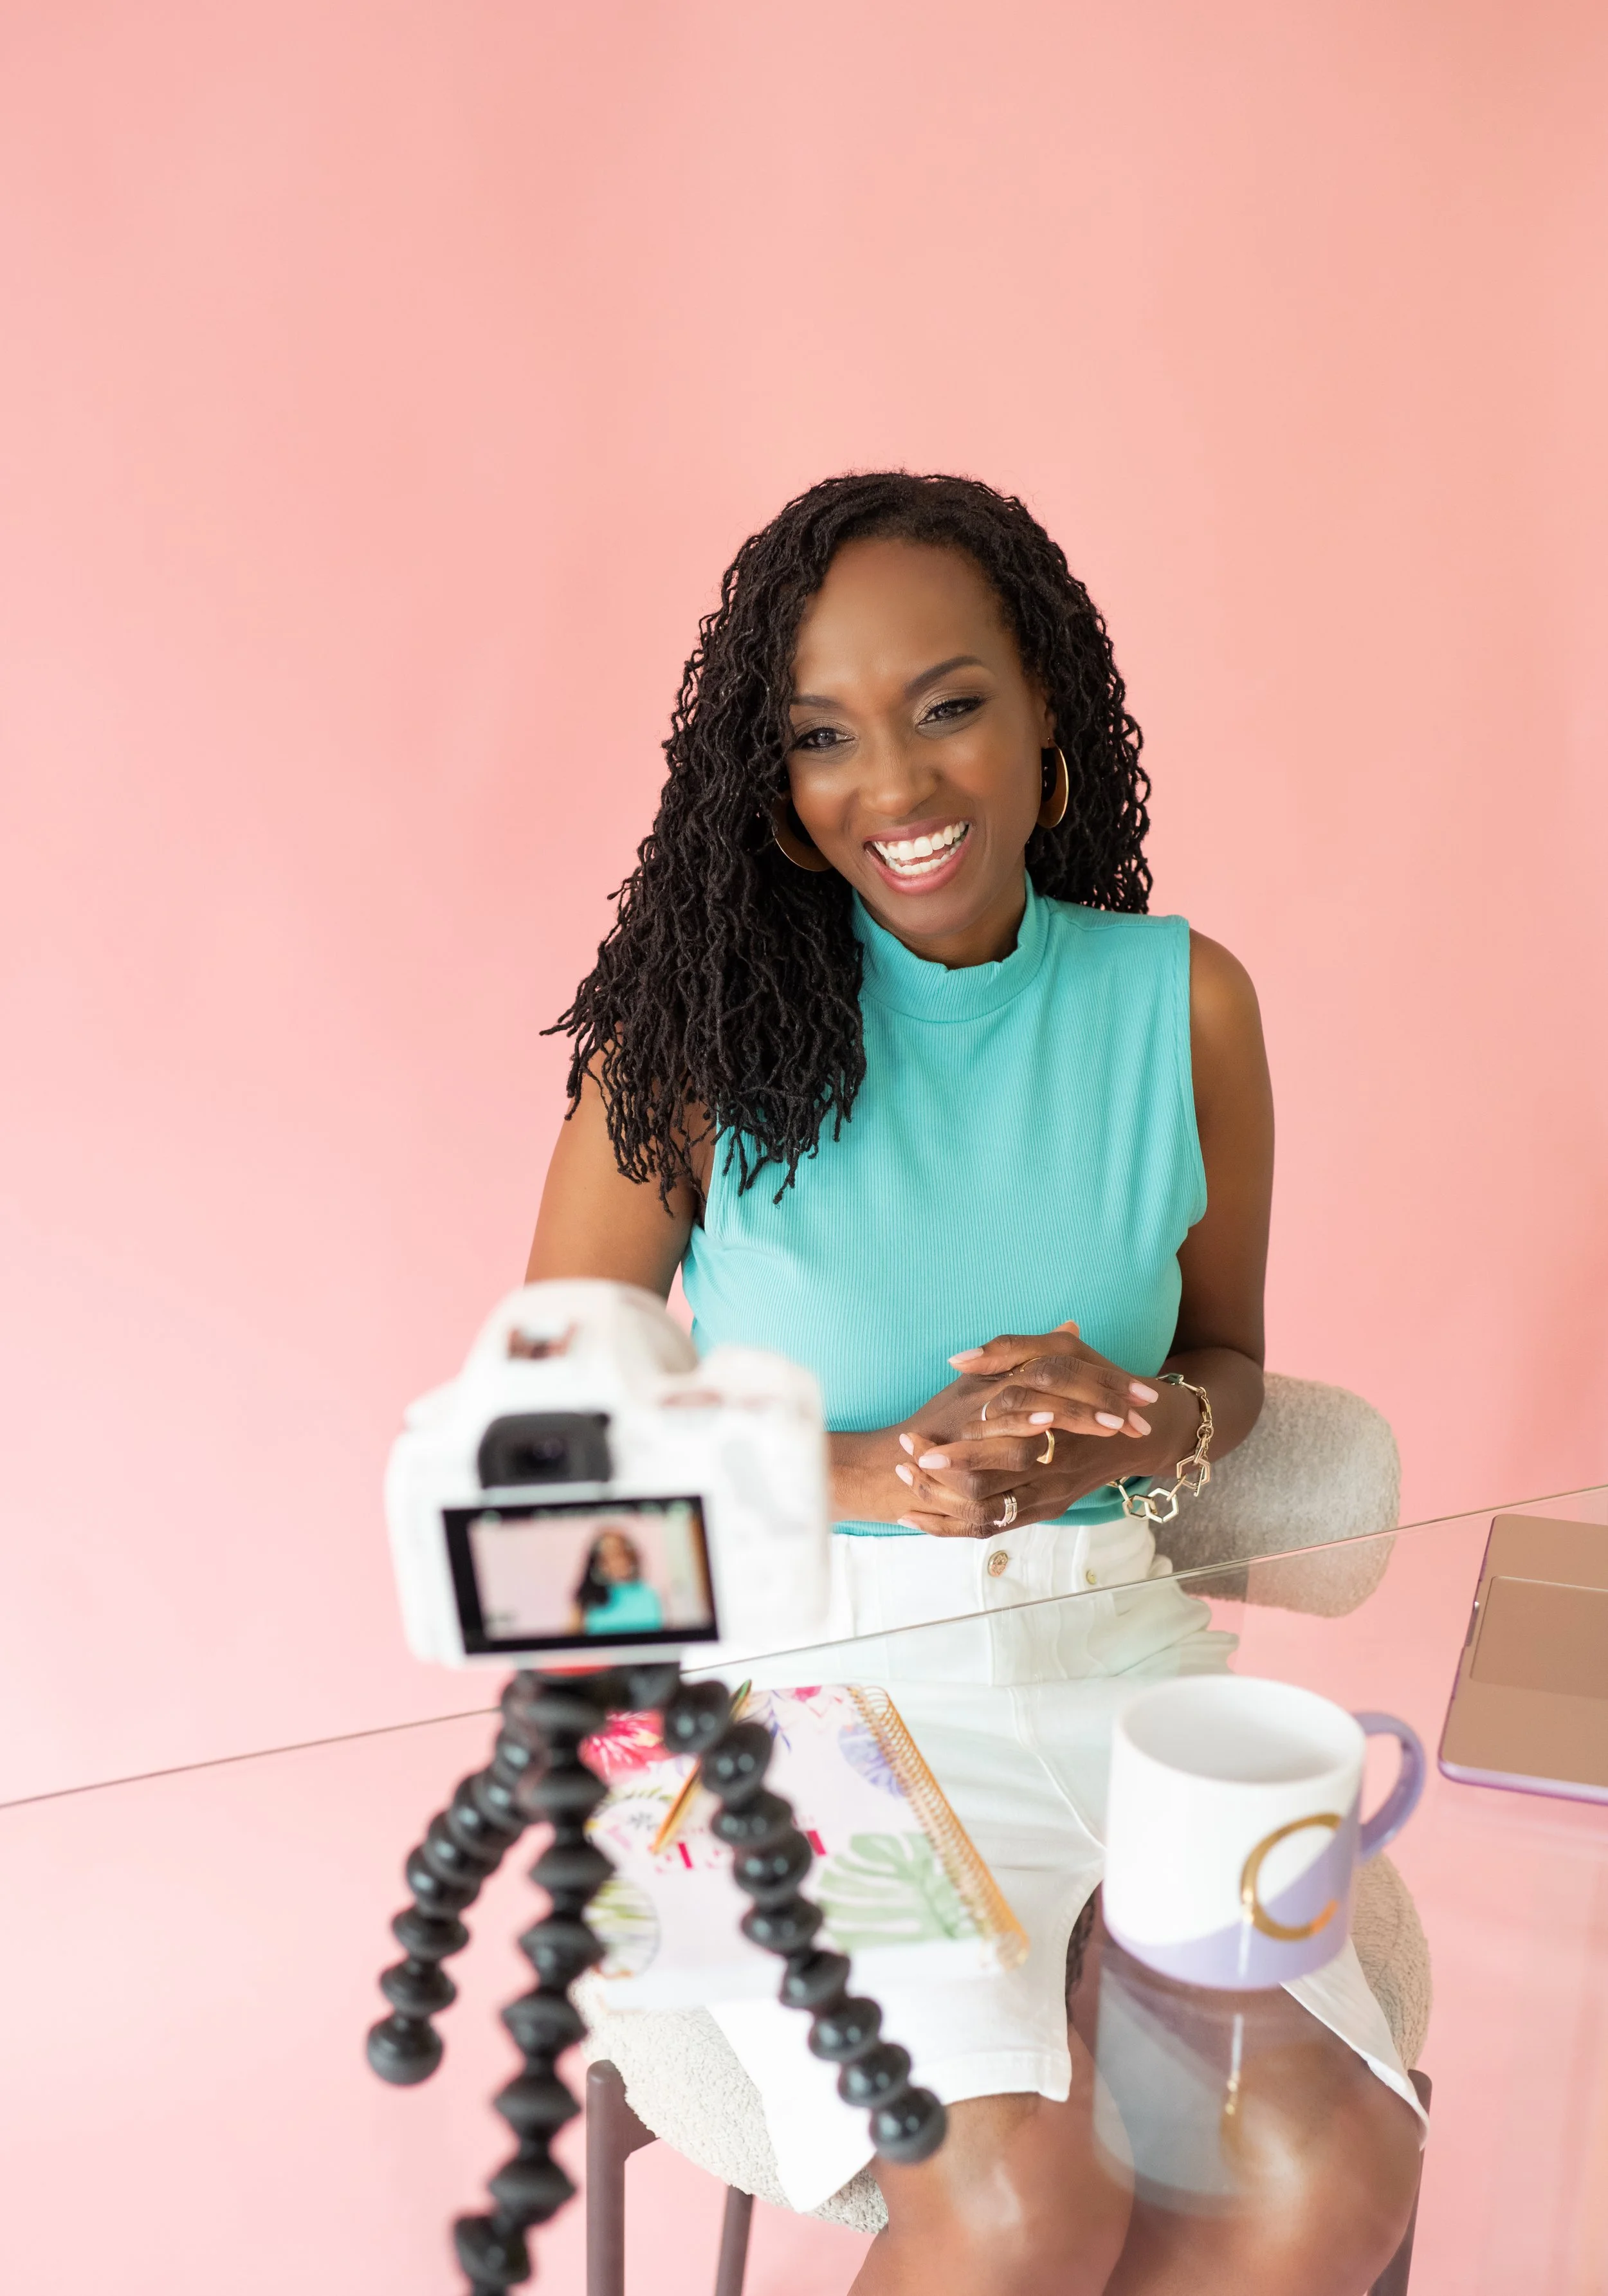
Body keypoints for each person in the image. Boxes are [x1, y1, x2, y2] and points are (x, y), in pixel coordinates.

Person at [528, 473, 1423, 2293]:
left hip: (1114, 1666)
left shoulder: (1185, 1008)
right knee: (1020, 2200)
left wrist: (1162, 1419)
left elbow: (1226, 1364)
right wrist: (858, 1475)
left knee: (1322, 2176)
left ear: (1046, 726)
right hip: (786, 1706)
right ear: (775, 794)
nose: (901, 787)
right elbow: (530, 1484)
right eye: (825, 740)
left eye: (946, 707)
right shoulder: (687, 1054)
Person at [571, 1527, 664, 1637]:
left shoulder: (650, 1595)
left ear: (631, 1556)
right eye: (607, 1557)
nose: (616, 1561)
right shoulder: (586, 1599)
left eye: (619, 1553)